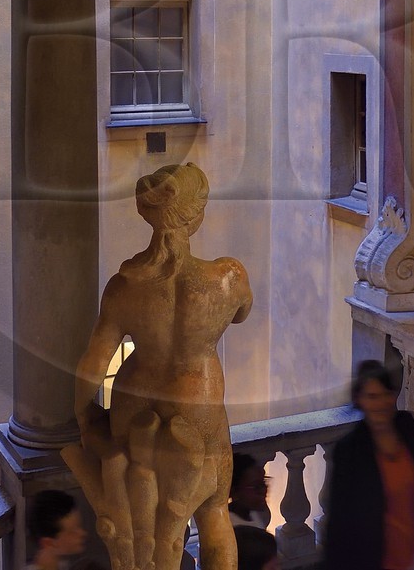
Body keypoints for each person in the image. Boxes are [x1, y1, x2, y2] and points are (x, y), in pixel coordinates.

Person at [64, 163, 253, 570]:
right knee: (213, 511)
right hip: (197, 404)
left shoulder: (124, 287)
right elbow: (242, 314)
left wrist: (83, 413)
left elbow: (95, 362)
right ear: (195, 215)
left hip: (134, 402)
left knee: (139, 522)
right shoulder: (228, 277)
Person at [321, 360, 414, 570]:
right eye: (372, 397)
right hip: (372, 562)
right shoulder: (349, 450)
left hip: (412, 558)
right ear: (360, 400)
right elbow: (339, 521)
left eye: (385, 394)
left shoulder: (407, 427)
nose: (381, 403)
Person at [26, 489, 88, 570]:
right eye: (72, 532)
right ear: (48, 543)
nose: (83, 533)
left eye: (79, 526)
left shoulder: (63, 565)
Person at [229, 452, 270, 528]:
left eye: (263, 483)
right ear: (234, 491)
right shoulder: (232, 527)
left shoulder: (252, 514)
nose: (263, 490)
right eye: (256, 486)